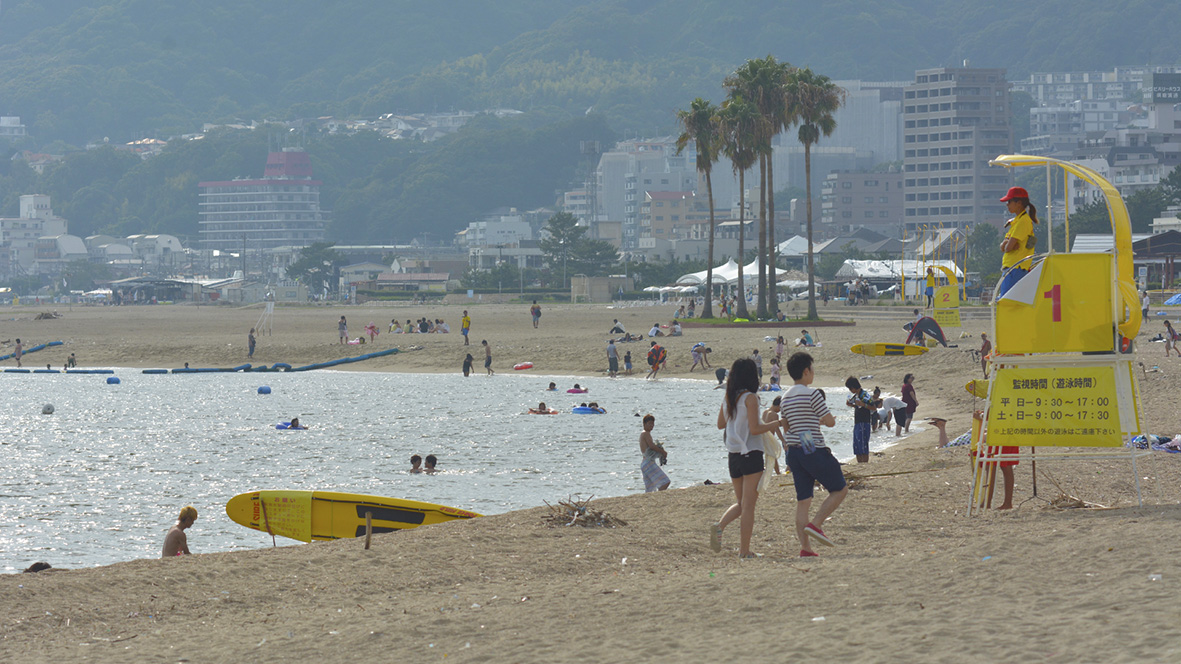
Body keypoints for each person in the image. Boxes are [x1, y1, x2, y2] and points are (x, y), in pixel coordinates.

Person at [710, 358, 782, 558]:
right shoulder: (751, 398)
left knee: (742, 503)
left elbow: (720, 424)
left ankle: (719, 526)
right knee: (749, 506)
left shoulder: (729, 398)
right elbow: (755, 429)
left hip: (733, 455)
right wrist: (777, 424)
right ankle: (744, 551)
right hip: (751, 453)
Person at [780, 352, 848, 557]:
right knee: (839, 489)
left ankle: (806, 548)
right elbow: (830, 421)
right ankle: (817, 524)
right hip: (811, 446)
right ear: (806, 371)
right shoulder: (812, 394)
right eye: (812, 370)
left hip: (794, 449)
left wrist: (811, 422)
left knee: (803, 501)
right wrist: (823, 420)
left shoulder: (785, 397)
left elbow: (787, 426)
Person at [997, 186, 1039, 298]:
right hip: (1011, 268)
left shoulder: (1023, 222)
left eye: (1009, 201)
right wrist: (1007, 243)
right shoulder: (1016, 221)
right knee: (1006, 299)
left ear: (1019, 203)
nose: (1007, 204)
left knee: (1007, 300)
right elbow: (1003, 247)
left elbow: (1007, 248)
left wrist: (1007, 243)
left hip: (1016, 268)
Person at [845, 376, 874, 463]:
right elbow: (859, 407)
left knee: (863, 445)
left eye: (850, 388)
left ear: (853, 387)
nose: (850, 390)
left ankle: (864, 463)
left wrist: (862, 404)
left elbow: (873, 407)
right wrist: (852, 405)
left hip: (864, 422)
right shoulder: (856, 396)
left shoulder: (864, 395)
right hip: (858, 422)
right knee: (857, 445)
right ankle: (860, 463)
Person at [639, 414, 670, 492]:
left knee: (650, 489)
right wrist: (662, 452)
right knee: (665, 482)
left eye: (652, 424)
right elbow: (652, 446)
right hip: (648, 463)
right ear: (644, 424)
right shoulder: (645, 433)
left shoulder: (644, 434)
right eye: (649, 424)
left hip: (645, 463)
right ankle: (660, 497)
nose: (651, 426)